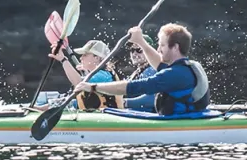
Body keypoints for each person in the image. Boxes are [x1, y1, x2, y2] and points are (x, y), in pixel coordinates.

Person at [74, 23, 210, 115]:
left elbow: (135, 87)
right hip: (180, 119)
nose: (158, 49)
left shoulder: (175, 74)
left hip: (181, 125)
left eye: (162, 45)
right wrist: (141, 42)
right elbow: (158, 63)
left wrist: (93, 87)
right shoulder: (181, 69)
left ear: (175, 47)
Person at [49, 39, 123, 110]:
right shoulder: (93, 75)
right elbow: (70, 99)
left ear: (96, 58)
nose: (81, 58)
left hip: (108, 119)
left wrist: (63, 59)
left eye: (85, 55)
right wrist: (47, 106)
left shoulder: (103, 75)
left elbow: (78, 83)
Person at [124, 34, 157, 112]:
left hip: (148, 119)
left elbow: (153, 98)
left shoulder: (151, 71)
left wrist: (123, 102)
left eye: (139, 50)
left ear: (149, 51)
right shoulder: (138, 71)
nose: (134, 54)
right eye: (132, 50)